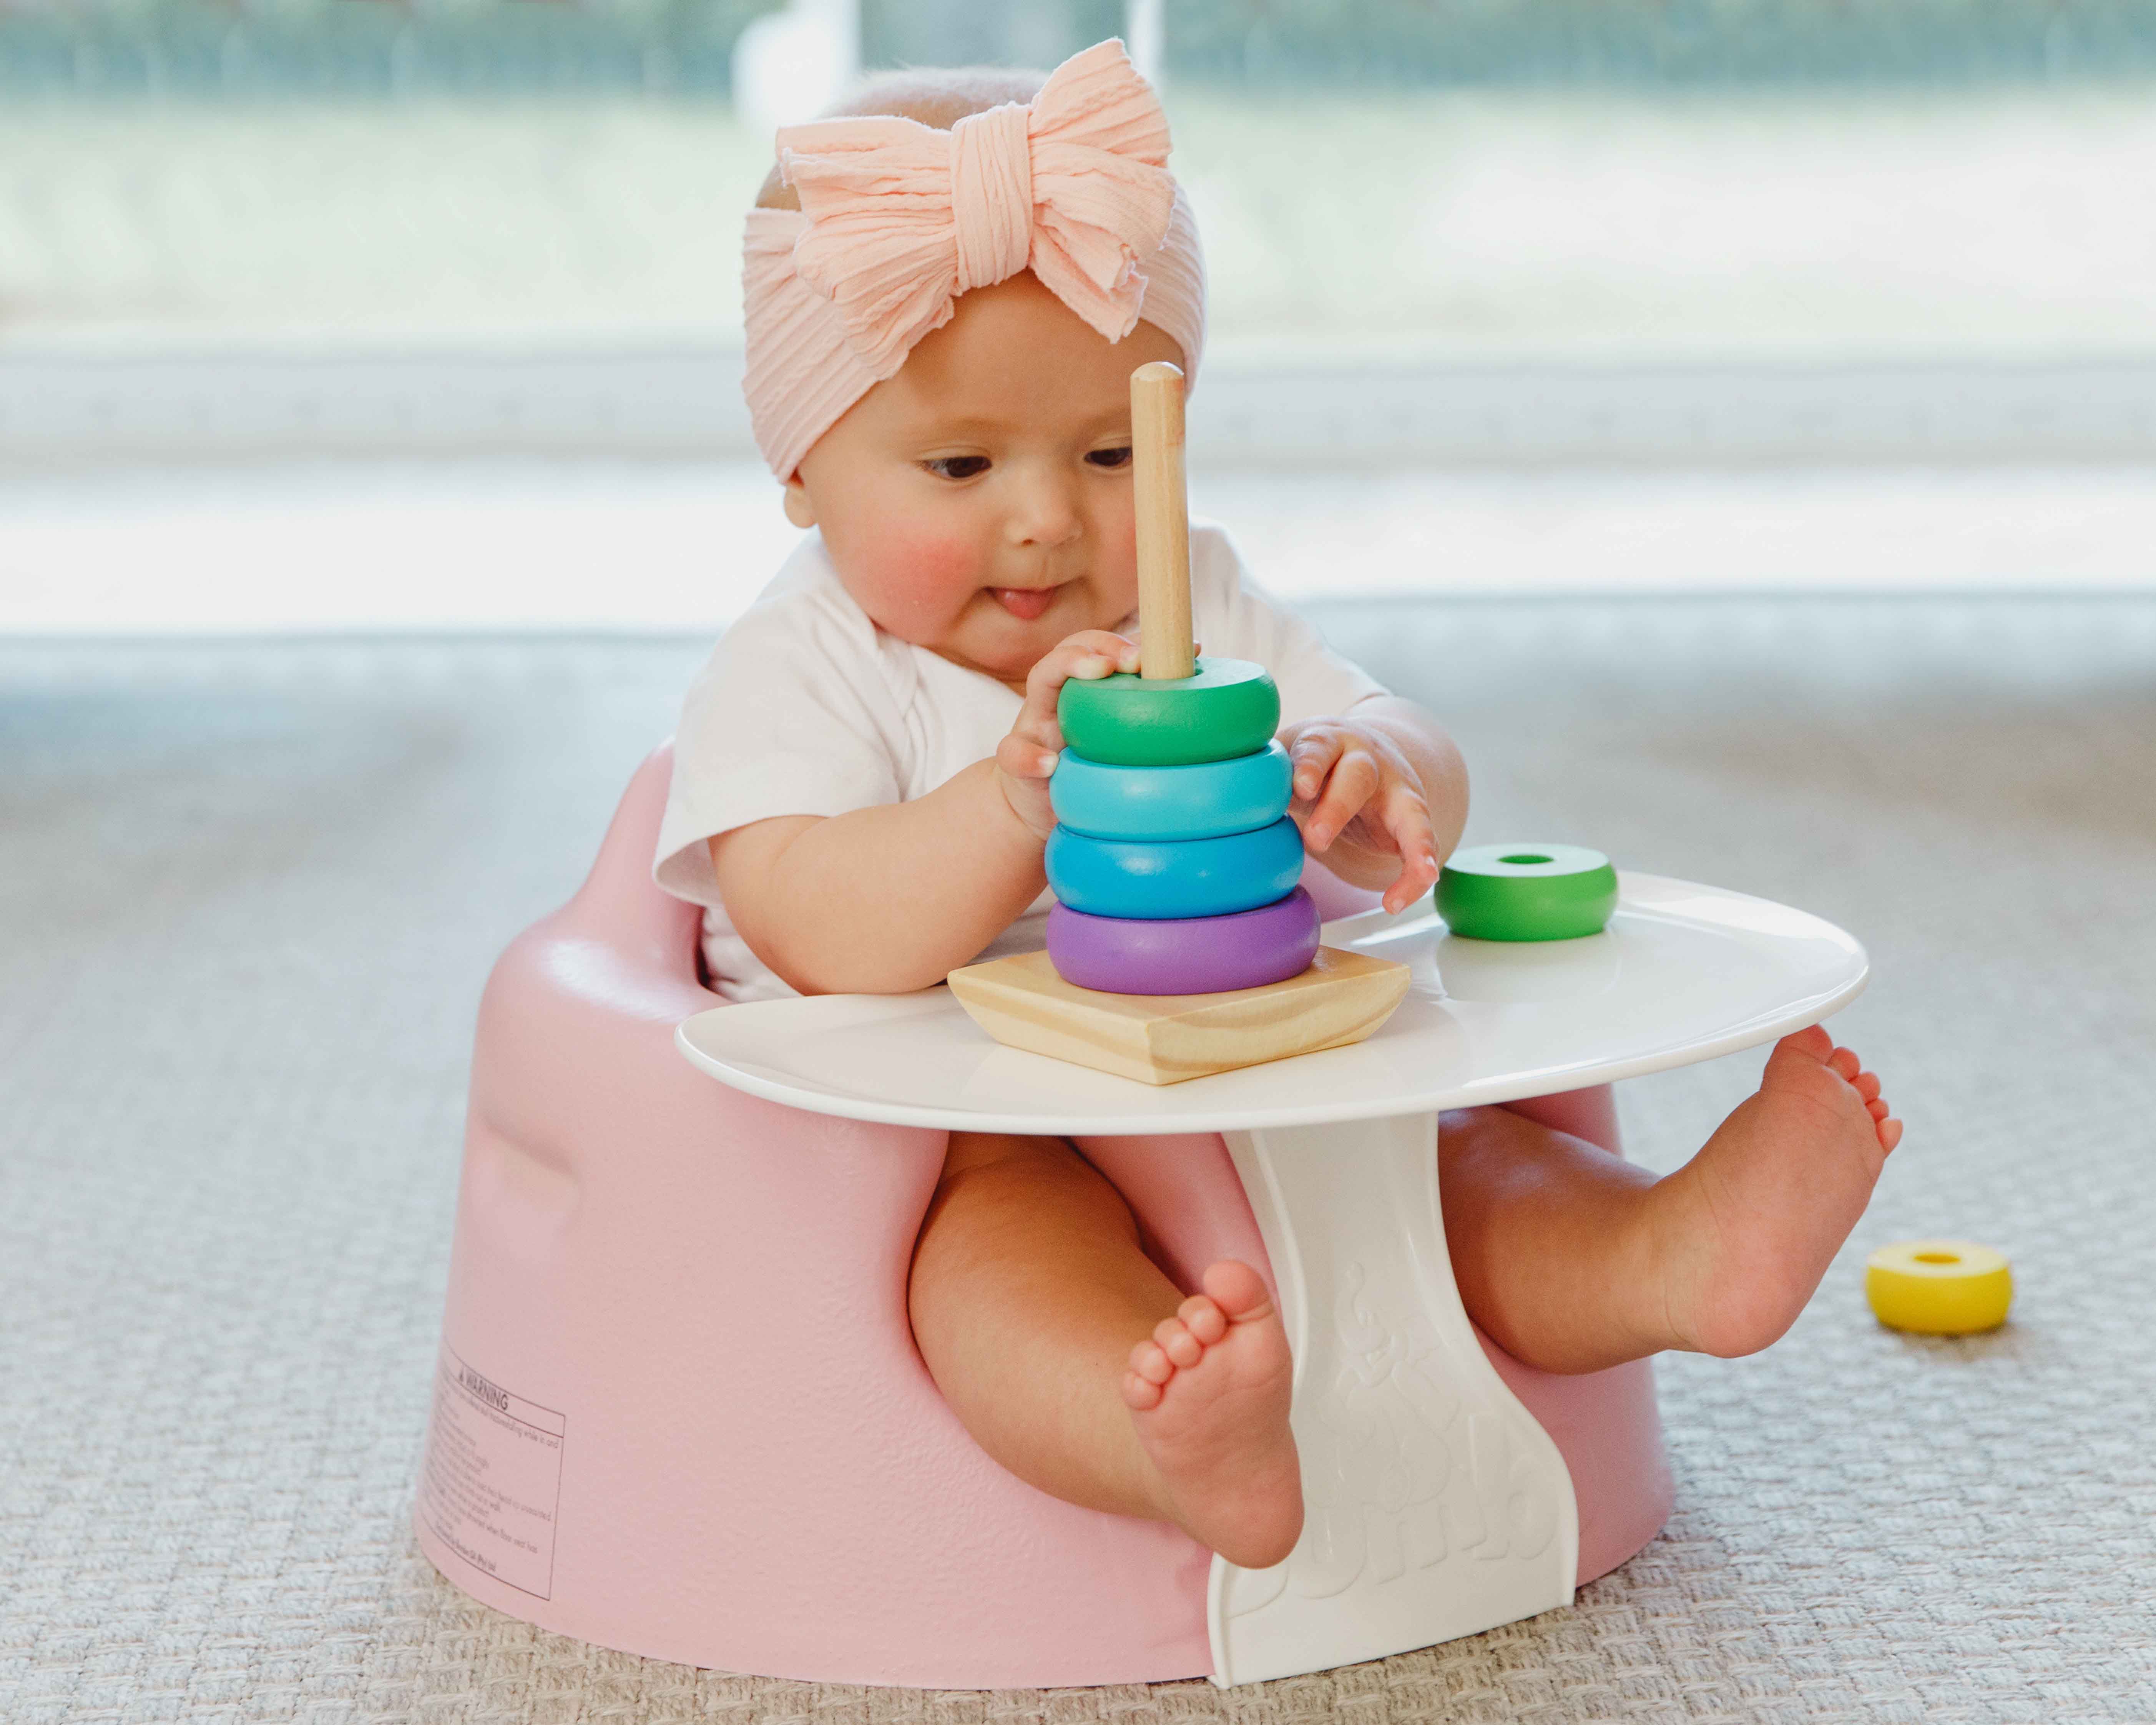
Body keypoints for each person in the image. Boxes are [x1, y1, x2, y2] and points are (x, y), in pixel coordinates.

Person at [654, 41, 1900, 1572]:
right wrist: (1003, 802)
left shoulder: (1196, 604)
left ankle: (1663, 1257)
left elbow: (1392, 723)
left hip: (1236, 1053)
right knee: (989, 1254)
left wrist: (1377, 771)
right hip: (967, 1109)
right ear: (800, 467)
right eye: (961, 462)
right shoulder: (802, 664)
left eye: (1112, 452)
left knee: (1439, 1154)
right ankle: (1159, 1437)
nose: (1045, 517)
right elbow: (819, 925)